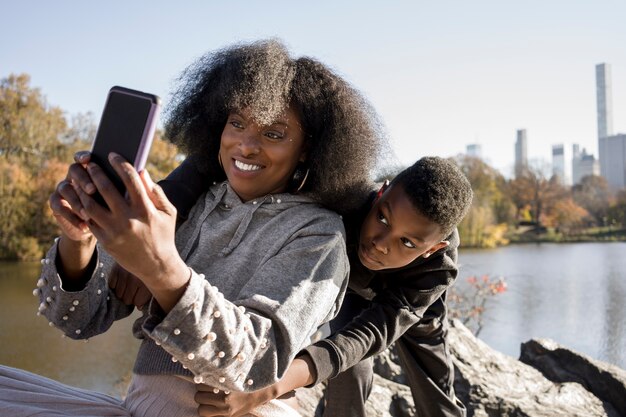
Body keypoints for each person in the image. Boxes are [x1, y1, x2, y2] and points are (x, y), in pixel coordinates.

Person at [0, 39, 385, 417]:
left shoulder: (318, 235)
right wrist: (78, 239)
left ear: (307, 149)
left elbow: (254, 363)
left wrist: (161, 269)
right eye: (237, 123)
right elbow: (80, 319)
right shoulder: (188, 206)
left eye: (273, 134)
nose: (247, 145)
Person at [149, 156, 472, 417]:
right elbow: (215, 157)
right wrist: (150, 225)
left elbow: (372, 333)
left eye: (406, 242)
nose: (380, 244)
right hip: (344, 283)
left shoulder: (436, 268)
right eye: (383, 219)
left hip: (405, 304)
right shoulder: (344, 193)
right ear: (381, 192)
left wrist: (263, 389)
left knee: (435, 391)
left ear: (432, 249)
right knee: (352, 372)